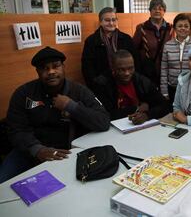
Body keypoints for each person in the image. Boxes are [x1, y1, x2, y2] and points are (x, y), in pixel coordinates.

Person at [1, 47, 110, 183]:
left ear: (63, 67)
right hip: (28, 150)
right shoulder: (23, 93)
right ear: (37, 71)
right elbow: (16, 129)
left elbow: (103, 121)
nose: (51, 72)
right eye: (44, 68)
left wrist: (72, 106)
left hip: (66, 152)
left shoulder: (79, 91)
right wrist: (38, 150)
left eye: (55, 66)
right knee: (3, 184)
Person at [94, 50, 170, 124]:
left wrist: (147, 115)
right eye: (122, 70)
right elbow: (103, 115)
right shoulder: (102, 84)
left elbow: (165, 105)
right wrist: (136, 109)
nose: (127, 73)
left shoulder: (142, 81)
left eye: (130, 68)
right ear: (113, 68)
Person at [82, 7, 140, 91]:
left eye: (114, 20)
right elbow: (87, 67)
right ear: (100, 22)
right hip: (102, 85)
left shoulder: (126, 39)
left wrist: (134, 80)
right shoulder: (91, 41)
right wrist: (95, 83)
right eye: (107, 20)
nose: (111, 23)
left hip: (126, 82)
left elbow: (136, 60)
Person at [160, 13, 191, 102]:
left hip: (190, 88)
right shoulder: (167, 45)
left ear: (190, 28)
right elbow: (164, 69)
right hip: (172, 88)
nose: (183, 28)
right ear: (174, 28)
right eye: (180, 26)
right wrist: (164, 92)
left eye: (186, 26)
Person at [133, 0, 172, 87]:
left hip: (166, 70)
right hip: (147, 70)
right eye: (154, 8)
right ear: (150, 11)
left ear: (164, 11)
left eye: (160, 8)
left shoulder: (171, 28)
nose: (157, 11)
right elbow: (134, 48)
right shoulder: (141, 28)